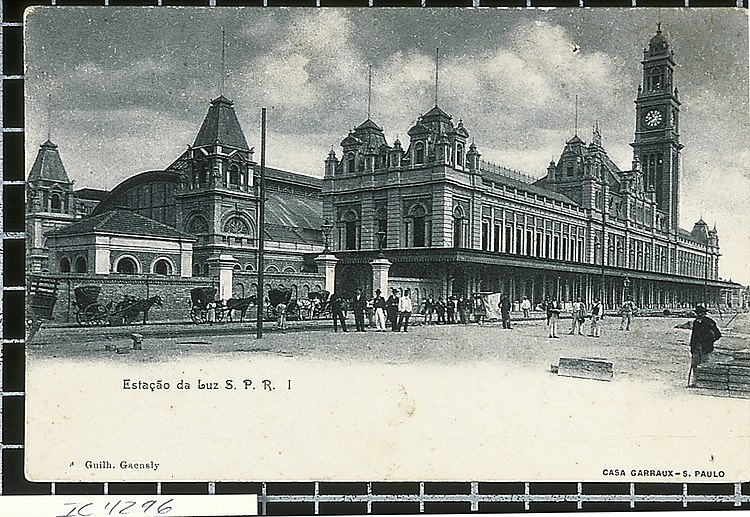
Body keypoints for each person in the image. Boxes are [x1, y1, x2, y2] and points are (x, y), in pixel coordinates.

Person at [688, 305, 722, 386]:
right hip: (696, 347)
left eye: (701, 313)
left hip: (706, 348)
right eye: (698, 313)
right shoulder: (695, 322)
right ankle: (695, 382)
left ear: (704, 313)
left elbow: (718, 334)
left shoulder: (709, 322)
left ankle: (704, 382)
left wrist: (710, 341)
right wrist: (692, 347)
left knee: (705, 365)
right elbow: (694, 335)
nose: (699, 315)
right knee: (695, 365)